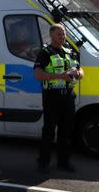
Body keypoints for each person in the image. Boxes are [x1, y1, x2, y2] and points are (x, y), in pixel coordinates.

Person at [33, 24, 84, 174]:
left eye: (64, 34)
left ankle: (64, 162)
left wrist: (79, 73)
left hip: (68, 96)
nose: (62, 37)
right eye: (59, 34)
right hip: (52, 97)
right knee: (49, 130)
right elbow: (38, 74)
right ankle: (43, 163)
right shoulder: (45, 53)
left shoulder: (69, 51)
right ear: (51, 35)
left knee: (66, 131)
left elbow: (81, 70)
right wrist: (60, 76)